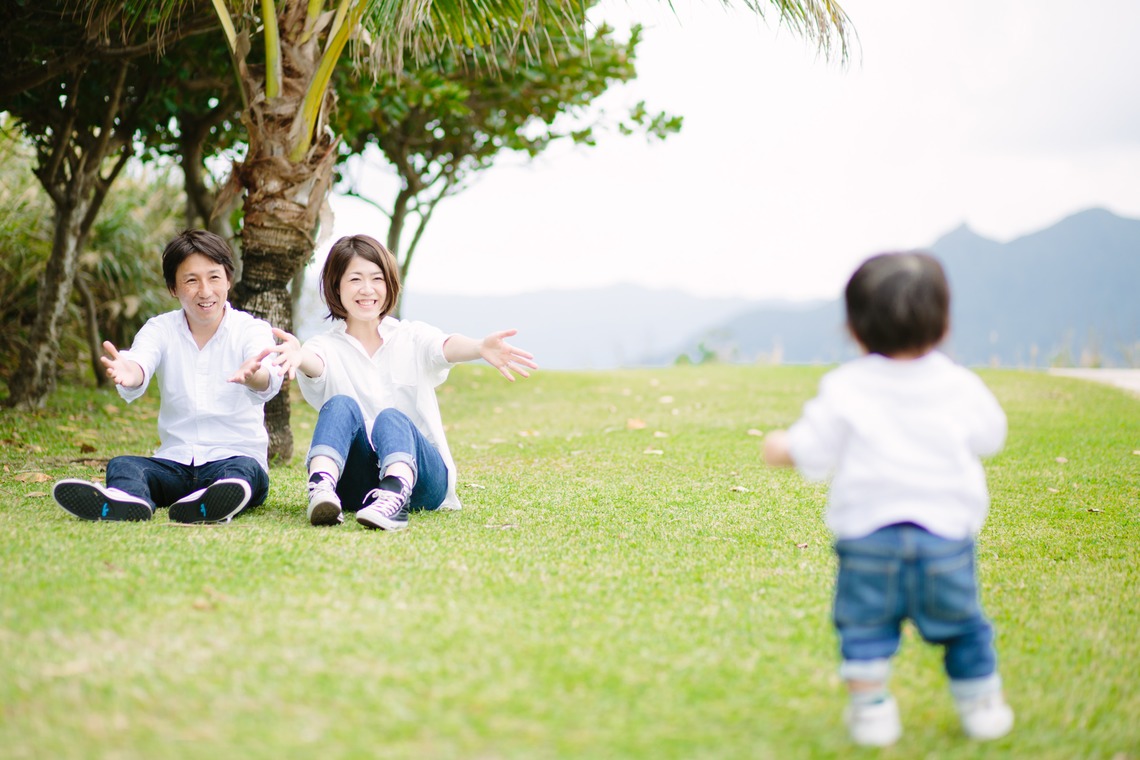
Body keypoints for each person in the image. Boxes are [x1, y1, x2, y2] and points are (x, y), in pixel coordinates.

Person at [762, 251, 1014, 747]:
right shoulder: (959, 386)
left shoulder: (846, 387)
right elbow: (992, 436)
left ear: (854, 328)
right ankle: (981, 704)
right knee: (963, 626)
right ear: (944, 325)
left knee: (864, 628)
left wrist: (779, 447)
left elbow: (809, 447)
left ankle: (872, 709)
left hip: (868, 542)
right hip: (944, 537)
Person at [268, 234, 537, 530]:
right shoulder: (325, 346)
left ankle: (395, 496)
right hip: (355, 484)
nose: (367, 289)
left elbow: (443, 346)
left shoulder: (411, 336)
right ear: (336, 286)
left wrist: (478, 347)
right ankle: (320, 488)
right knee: (340, 404)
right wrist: (298, 354)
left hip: (422, 481)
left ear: (389, 284)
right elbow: (315, 362)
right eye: (355, 279)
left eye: (377, 279)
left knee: (392, 418)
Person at [53, 229, 283, 524]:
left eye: (214, 277)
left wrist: (254, 375)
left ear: (228, 279)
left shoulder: (251, 329)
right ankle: (129, 501)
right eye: (191, 280)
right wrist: (131, 373)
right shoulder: (159, 329)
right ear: (173, 288)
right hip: (174, 463)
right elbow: (139, 362)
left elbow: (268, 377)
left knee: (243, 472)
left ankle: (216, 500)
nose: (205, 291)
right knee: (124, 465)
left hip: (234, 458)